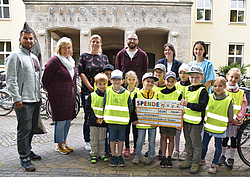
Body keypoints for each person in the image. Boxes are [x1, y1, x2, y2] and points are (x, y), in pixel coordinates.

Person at [6, 29, 41, 171]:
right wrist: (16, 98)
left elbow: (37, 78)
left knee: (32, 128)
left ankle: (28, 150)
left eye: (31, 39)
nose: (28, 41)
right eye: (25, 38)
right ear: (20, 39)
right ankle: (24, 158)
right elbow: (11, 79)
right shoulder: (15, 56)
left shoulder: (34, 57)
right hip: (23, 101)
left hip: (34, 99)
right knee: (24, 130)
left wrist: (38, 97)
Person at [42, 37, 77, 155]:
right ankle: (59, 144)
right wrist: (53, 92)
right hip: (58, 97)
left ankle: (64, 142)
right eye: (64, 47)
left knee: (68, 119)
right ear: (59, 48)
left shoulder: (70, 61)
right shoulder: (55, 61)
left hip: (70, 96)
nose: (66, 50)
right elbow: (45, 79)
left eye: (68, 47)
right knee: (61, 120)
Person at [78, 34, 109, 151]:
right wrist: (91, 87)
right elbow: (81, 72)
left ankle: (101, 140)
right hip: (88, 91)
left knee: (101, 114)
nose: (95, 44)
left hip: (101, 92)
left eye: (97, 42)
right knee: (88, 116)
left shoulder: (104, 58)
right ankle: (88, 140)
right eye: (93, 41)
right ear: (90, 43)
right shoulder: (84, 56)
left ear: (100, 44)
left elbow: (106, 74)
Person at [179, 66, 209, 174]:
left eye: (197, 77)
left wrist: (188, 104)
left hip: (196, 122)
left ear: (202, 77)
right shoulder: (186, 89)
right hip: (186, 121)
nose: (193, 80)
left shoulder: (203, 91)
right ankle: (189, 160)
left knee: (196, 144)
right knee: (188, 142)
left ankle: (195, 162)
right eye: (191, 77)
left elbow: (201, 106)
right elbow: (182, 103)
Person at [201, 77, 234, 174]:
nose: (217, 88)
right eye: (215, 86)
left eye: (220, 86)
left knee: (218, 147)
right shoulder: (209, 97)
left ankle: (214, 164)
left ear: (224, 86)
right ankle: (202, 159)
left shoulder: (228, 100)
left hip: (219, 129)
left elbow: (230, 115)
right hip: (208, 127)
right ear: (212, 86)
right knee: (204, 145)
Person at [218, 68, 247, 168]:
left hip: (236, 122)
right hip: (225, 122)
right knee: (224, 139)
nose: (233, 79)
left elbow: (243, 107)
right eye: (231, 77)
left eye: (236, 78)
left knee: (234, 140)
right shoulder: (223, 91)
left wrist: (238, 119)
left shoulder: (241, 93)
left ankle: (231, 158)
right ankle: (223, 156)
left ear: (239, 79)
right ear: (227, 77)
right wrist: (227, 118)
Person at [103, 69, 133, 167]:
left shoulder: (127, 93)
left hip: (122, 122)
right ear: (110, 80)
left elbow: (130, 107)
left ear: (122, 81)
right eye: (114, 79)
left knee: (121, 139)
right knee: (112, 139)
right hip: (111, 121)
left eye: (118, 79)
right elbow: (104, 105)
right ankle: (113, 156)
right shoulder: (107, 92)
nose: (116, 81)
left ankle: (119, 155)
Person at [131, 73, 158, 165]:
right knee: (140, 140)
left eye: (152, 81)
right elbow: (132, 108)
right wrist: (134, 119)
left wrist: (157, 121)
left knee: (152, 140)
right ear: (143, 82)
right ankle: (138, 154)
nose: (150, 83)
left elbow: (159, 110)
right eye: (148, 81)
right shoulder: (137, 94)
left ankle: (151, 155)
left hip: (152, 123)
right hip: (141, 122)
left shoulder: (156, 94)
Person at [158, 71, 182, 168]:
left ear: (175, 82)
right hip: (163, 120)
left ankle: (169, 156)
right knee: (163, 137)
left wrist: (180, 123)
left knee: (171, 138)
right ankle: (163, 156)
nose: (170, 83)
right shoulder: (159, 93)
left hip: (173, 121)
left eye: (172, 81)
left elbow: (181, 110)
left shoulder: (179, 93)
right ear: (164, 81)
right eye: (168, 81)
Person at [85, 73, 109, 164]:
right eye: (100, 84)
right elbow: (88, 109)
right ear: (95, 84)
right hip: (93, 122)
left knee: (102, 139)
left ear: (107, 84)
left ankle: (102, 153)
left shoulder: (108, 96)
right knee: (94, 139)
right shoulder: (92, 95)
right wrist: (95, 118)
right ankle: (94, 154)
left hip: (104, 121)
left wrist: (104, 118)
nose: (102, 86)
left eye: (104, 84)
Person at [172, 63, 191, 161]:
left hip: (187, 113)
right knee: (177, 132)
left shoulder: (191, 86)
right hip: (178, 113)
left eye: (185, 73)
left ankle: (185, 150)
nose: (183, 75)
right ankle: (176, 149)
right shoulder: (176, 85)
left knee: (187, 133)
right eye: (181, 73)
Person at [124, 71, 139, 156]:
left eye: (133, 79)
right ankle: (127, 148)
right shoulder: (124, 91)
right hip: (126, 115)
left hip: (135, 116)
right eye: (129, 79)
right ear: (126, 80)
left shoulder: (138, 91)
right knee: (126, 132)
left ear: (136, 80)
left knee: (135, 132)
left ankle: (136, 147)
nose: (131, 81)